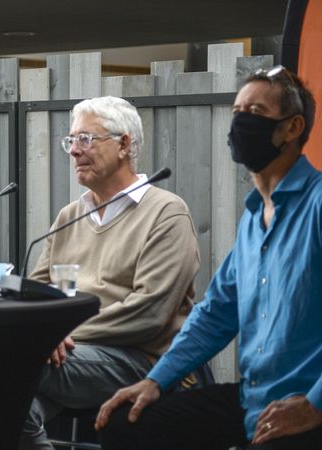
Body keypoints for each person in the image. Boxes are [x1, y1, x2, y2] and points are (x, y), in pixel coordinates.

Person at [94, 67, 322, 450]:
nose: (240, 122)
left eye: (255, 111)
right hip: (253, 402)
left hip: (305, 407)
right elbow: (215, 314)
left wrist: (315, 406)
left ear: (292, 127)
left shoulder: (317, 205)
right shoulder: (253, 219)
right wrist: (155, 381)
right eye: (237, 111)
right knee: (124, 424)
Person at [19, 96, 200, 449]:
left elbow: (148, 312)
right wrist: (42, 332)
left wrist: (57, 333)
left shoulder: (166, 213)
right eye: (70, 140)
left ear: (124, 145)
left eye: (86, 139)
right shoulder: (70, 215)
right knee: (4, 406)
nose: (74, 151)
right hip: (68, 356)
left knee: (8, 360)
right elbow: (36, 292)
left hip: (137, 359)